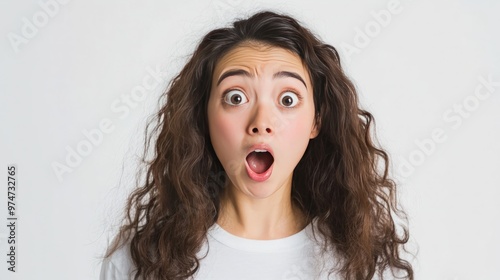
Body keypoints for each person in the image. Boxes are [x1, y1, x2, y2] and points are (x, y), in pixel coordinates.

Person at [99, 10, 414, 280]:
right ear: (203, 116)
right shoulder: (141, 261)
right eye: (236, 97)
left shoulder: (364, 264)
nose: (261, 121)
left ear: (316, 122)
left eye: (287, 99)